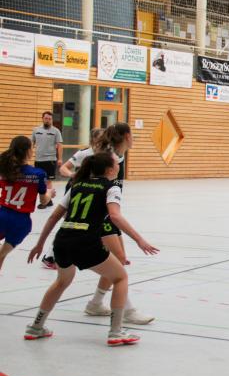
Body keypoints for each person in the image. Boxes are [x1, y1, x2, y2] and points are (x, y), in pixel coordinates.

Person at [25, 152, 159, 346]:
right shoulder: (111, 187)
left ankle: (36, 327)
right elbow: (115, 216)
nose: (119, 166)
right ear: (110, 169)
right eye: (117, 163)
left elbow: (54, 217)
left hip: (62, 240)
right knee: (120, 277)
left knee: (61, 282)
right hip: (85, 241)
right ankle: (116, 332)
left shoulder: (77, 185)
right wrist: (140, 240)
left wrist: (39, 244)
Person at [78, 123, 154, 324]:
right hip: (100, 216)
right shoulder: (108, 157)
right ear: (127, 136)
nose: (134, 138)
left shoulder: (118, 156)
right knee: (117, 260)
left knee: (118, 261)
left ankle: (95, 303)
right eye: (133, 135)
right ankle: (127, 311)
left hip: (108, 213)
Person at [38, 128, 105, 270]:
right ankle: (50, 256)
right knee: (69, 222)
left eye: (104, 139)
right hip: (76, 189)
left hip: (91, 191)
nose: (102, 142)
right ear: (93, 140)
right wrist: (73, 175)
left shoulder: (106, 155)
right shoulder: (84, 153)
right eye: (99, 139)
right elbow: (63, 168)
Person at [0, 137, 55, 272]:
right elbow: (44, 201)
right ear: (29, 151)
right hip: (21, 221)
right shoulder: (37, 174)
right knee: (1, 254)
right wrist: (50, 193)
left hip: (2, 214)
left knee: (1, 256)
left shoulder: (5, 170)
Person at [31, 111, 63, 206]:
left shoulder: (56, 131)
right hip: (38, 160)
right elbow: (31, 143)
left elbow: (60, 145)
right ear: (42, 119)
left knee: (48, 181)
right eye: (46, 118)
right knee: (39, 181)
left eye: (49, 119)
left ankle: (47, 201)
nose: (48, 120)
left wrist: (60, 158)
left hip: (50, 160)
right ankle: (44, 199)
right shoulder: (36, 130)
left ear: (51, 120)